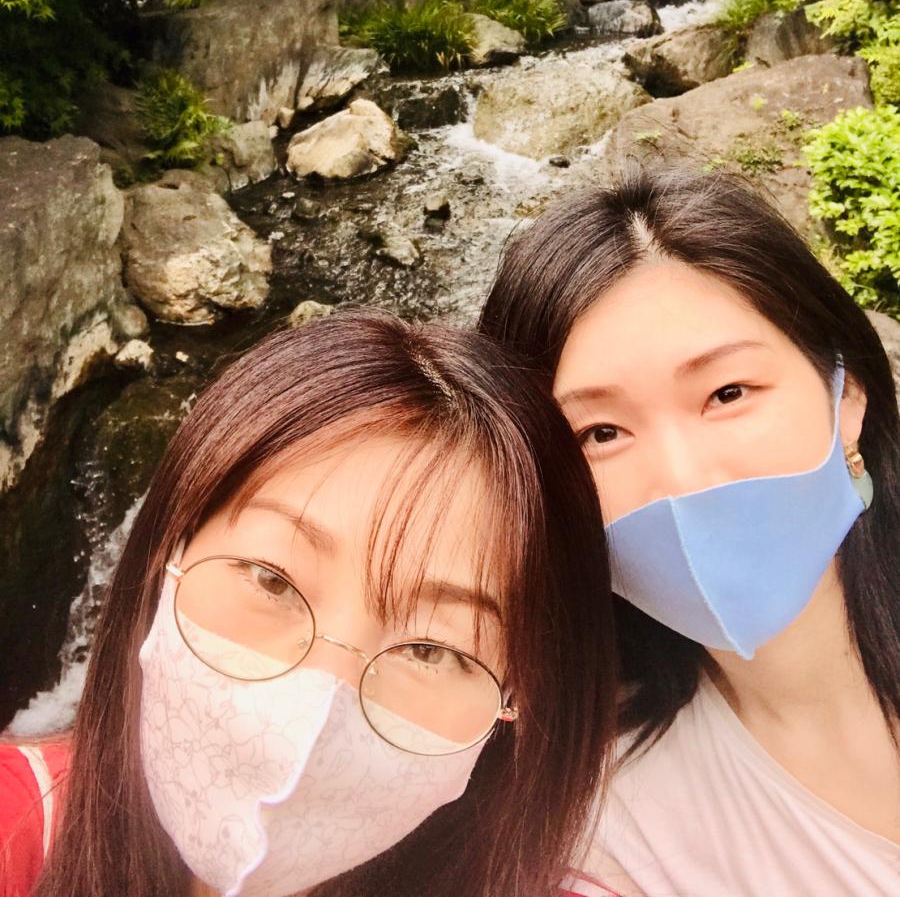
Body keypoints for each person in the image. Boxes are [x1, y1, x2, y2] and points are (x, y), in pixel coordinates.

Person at [1, 310, 619, 897]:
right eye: (272, 580)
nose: (317, 703)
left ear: (517, 694)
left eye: (431, 648)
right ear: (168, 554)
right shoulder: (16, 822)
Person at [480, 169, 900, 896]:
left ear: (848, 398)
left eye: (727, 393)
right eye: (599, 433)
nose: (682, 478)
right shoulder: (605, 820)